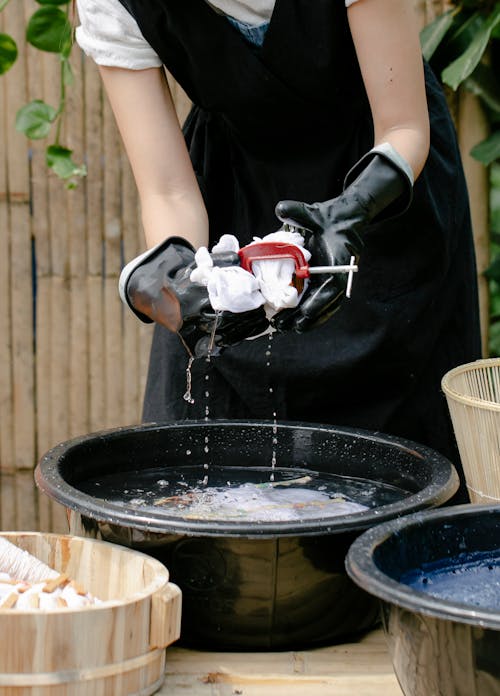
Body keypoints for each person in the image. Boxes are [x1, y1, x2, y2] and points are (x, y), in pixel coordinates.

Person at [75, 0, 481, 500]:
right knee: (199, 479)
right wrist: (178, 271)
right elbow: (168, 193)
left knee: (406, 477)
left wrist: (353, 208)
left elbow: (405, 128)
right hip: (230, 194)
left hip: (383, 190)